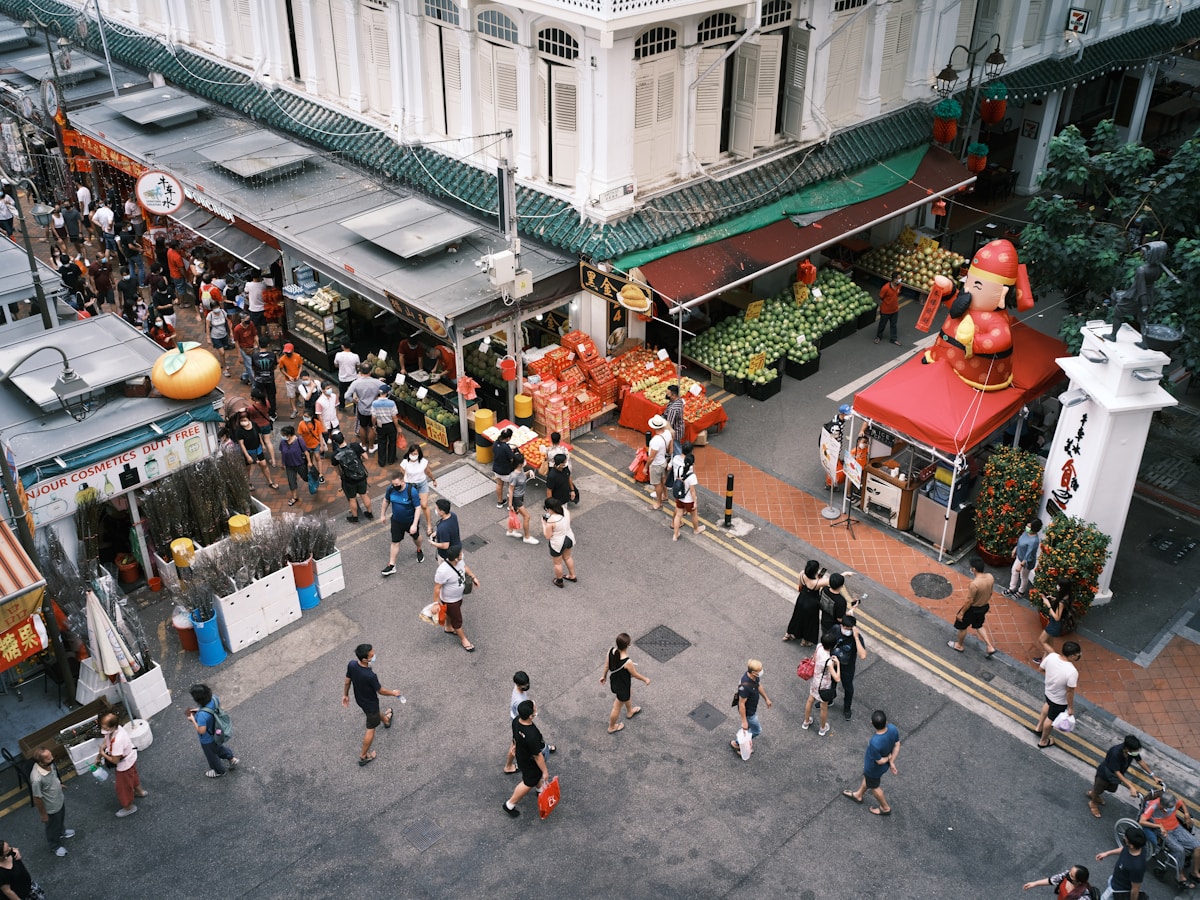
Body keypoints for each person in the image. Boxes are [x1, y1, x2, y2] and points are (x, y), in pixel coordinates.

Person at [342, 643, 403, 766]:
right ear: (365, 659)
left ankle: (386, 720)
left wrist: (345, 695)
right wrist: (394, 693)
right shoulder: (370, 675)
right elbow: (381, 691)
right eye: (372, 655)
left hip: (361, 700)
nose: (374, 655)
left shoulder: (352, 664)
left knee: (373, 713)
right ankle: (363, 756)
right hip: (370, 703)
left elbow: (347, 681)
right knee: (371, 728)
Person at [841, 709, 901, 816]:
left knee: (874, 787)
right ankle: (858, 795)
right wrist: (892, 761)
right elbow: (897, 745)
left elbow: (880, 761)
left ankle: (885, 808)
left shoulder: (875, 742)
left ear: (872, 723)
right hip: (880, 768)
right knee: (868, 780)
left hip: (873, 769)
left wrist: (888, 758)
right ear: (886, 721)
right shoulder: (893, 729)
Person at [1088, 735, 1158, 819]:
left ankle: (1093, 794)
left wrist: (1153, 775)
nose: (1136, 753)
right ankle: (1093, 803)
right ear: (1127, 749)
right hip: (1105, 775)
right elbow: (1117, 772)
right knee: (1098, 789)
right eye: (1135, 751)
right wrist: (1130, 786)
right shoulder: (1115, 753)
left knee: (1111, 789)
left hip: (1115, 776)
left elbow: (1140, 761)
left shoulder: (1132, 752)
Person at [1141, 792, 1200, 889]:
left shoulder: (1172, 803)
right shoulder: (1153, 806)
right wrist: (1158, 826)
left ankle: (1195, 872)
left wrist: (1186, 813)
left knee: (1197, 845)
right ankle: (1180, 877)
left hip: (1176, 827)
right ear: (1161, 804)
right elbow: (1141, 821)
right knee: (1179, 850)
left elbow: (1181, 802)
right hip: (1162, 830)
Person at [96, 711, 148, 817]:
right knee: (132, 775)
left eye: (105, 728)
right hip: (131, 758)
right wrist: (99, 756)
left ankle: (128, 807)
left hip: (124, 764)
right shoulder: (116, 729)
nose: (103, 730)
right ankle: (139, 791)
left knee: (122, 787)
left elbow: (115, 760)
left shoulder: (118, 740)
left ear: (112, 727)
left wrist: (102, 754)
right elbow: (106, 740)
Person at [503, 700, 550, 818]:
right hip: (530, 761)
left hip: (521, 756)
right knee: (528, 782)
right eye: (534, 708)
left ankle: (539, 789)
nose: (535, 708)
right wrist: (545, 771)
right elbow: (537, 756)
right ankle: (510, 804)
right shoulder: (532, 734)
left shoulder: (516, 721)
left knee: (534, 776)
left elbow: (515, 738)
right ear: (530, 716)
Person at [503, 672, 555, 773]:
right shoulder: (518, 701)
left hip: (519, 718)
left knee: (518, 741)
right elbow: (523, 715)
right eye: (525, 685)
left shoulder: (518, 690)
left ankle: (541, 747)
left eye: (527, 683)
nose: (527, 686)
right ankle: (508, 766)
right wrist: (533, 713)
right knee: (515, 744)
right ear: (518, 685)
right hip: (518, 721)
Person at [1034, 641, 1082, 749]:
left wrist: (1052, 676)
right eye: (1078, 654)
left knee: (1048, 704)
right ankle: (1043, 741)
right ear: (1073, 656)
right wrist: (1070, 707)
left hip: (1049, 691)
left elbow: (1041, 669)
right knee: (1050, 719)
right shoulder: (1072, 672)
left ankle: (1039, 727)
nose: (1079, 655)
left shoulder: (1052, 656)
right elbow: (1070, 692)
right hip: (1059, 700)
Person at [186, 684, 239, 778]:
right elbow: (213, 708)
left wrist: (193, 720)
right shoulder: (214, 698)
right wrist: (199, 710)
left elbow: (201, 731)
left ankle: (219, 771)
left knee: (211, 755)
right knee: (218, 747)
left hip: (207, 739)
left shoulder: (202, 716)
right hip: (217, 731)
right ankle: (231, 758)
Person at [600, 632, 650, 734]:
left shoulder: (611, 651)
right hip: (622, 686)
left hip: (615, 682)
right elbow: (635, 675)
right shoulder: (628, 662)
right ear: (628, 645)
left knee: (627, 696)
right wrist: (645, 679)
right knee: (617, 707)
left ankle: (630, 711)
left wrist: (603, 676)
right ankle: (611, 727)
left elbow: (606, 666)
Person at [948, 556, 998, 657]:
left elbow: (969, 601)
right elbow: (991, 592)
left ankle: (959, 645)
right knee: (978, 625)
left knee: (962, 627)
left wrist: (961, 613)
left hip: (972, 609)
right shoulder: (990, 577)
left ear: (974, 569)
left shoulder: (974, 584)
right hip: (984, 607)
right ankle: (989, 646)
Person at [29, 748, 74, 857]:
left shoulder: (49, 765)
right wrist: (43, 814)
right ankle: (55, 846)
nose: (52, 758)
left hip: (59, 799)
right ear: (40, 762)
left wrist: (58, 785)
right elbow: (37, 798)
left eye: (51, 755)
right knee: (52, 827)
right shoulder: (36, 779)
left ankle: (62, 832)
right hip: (51, 807)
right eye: (49, 758)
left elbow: (52, 778)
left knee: (60, 819)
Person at [434, 544, 478, 652]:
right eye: (460, 553)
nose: (462, 554)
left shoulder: (460, 561)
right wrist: (435, 603)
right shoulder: (442, 571)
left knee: (450, 614)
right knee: (457, 620)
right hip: (450, 600)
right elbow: (437, 588)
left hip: (458, 597)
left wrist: (473, 577)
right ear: (455, 557)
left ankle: (448, 627)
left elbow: (464, 567)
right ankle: (464, 640)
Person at [380, 475, 424, 574]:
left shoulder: (411, 491)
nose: (395, 486)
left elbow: (417, 508)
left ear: (403, 481)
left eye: (397, 484)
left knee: (416, 538)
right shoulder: (390, 489)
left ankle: (419, 549)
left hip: (410, 521)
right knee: (395, 541)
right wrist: (382, 515)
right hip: (396, 521)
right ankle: (391, 565)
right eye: (393, 484)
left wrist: (414, 524)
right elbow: (386, 500)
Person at [802, 630, 841, 737]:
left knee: (810, 700)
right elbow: (837, 678)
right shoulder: (828, 661)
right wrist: (838, 664)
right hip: (824, 685)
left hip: (815, 680)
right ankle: (822, 728)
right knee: (824, 707)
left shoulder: (819, 647)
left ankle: (806, 722)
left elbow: (814, 659)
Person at [730, 659, 772, 757]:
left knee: (746, 729)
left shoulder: (754, 678)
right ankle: (740, 744)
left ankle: (736, 743)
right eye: (759, 670)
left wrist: (766, 698)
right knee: (757, 730)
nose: (761, 671)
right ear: (753, 672)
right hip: (749, 713)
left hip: (752, 710)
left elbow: (758, 685)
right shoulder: (745, 687)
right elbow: (741, 704)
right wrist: (744, 721)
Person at [831, 614, 868, 720]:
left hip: (847, 667)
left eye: (849, 629)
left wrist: (856, 637)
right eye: (844, 627)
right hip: (833, 663)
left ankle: (847, 708)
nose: (846, 630)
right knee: (831, 682)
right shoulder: (836, 629)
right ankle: (829, 699)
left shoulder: (856, 637)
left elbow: (863, 655)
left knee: (848, 688)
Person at [330, 432, 372, 523]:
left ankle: (355, 517)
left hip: (348, 480)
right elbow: (366, 457)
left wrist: (342, 475)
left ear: (335, 442)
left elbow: (337, 469)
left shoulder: (334, 455)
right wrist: (360, 463)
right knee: (364, 495)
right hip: (361, 476)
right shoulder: (355, 446)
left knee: (352, 499)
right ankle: (369, 513)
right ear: (343, 437)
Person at [1095, 827, 1146, 900]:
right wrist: (1107, 853)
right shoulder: (1138, 847)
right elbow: (1124, 849)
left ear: (1131, 846)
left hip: (1117, 889)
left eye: (1126, 839)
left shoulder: (1137, 867)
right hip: (1115, 880)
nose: (1124, 838)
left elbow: (1135, 889)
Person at [785, 561, 828, 645]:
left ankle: (792, 633)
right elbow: (833, 581)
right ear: (815, 571)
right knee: (810, 622)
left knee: (797, 617)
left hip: (801, 599)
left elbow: (800, 587)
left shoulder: (802, 574)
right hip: (812, 603)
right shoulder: (817, 582)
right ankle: (805, 640)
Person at [345, 364, 386, 452]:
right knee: (372, 427)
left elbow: (346, 396)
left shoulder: (356, 383)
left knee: (362, 426)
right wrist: (379, 398)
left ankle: (363, 445)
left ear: (360, 371)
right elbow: (388, 390)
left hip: (362, 408)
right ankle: (371, 447)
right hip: (373, 409)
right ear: (370, 371)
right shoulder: (377, 382)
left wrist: (354, 401)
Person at [233, 414, 278, 491]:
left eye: (245, 420)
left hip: (257, 449)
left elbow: (258, 435)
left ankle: (270, 482)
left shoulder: (254, 425)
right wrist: (247, 456)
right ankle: (248, 483)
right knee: (247, 468)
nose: (243, 422)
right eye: (241, 420)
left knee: (264, 464)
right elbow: (242, 444)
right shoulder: (239, 431)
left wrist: (263, 444)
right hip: (248, 451)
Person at [1034, 579, 1072, 664]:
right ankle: (1044, 661)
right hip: (1056, 623)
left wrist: (1048, 605)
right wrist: (1054, 599)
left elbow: (1057, 617)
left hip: (1055, 624)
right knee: (1049, 642)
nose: (1057, 587)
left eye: (1059, 586)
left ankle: (1056, 659)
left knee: (1042, 640)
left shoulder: (1062, 603)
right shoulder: (1067, 596)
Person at [670, 451, 705, 540]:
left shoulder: (680, 469)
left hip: (680, 497)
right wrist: (695, 502)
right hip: (688, 500)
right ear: (693, 463)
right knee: (694, 515)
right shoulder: (692, 476)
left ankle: (675, 534)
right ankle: (696, 529)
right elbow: (692, 491)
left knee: (678, 515)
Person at [542, 497, 576, 588]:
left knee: (557, 563)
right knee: (568, 557)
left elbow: (547, 536)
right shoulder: (565, 511)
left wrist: (544, 524)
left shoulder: (551, 521)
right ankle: (572, 576)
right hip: (569, 537)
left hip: (558, 543)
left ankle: (559, 580)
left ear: (549, 509)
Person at [505, 453, 538, 545]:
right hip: (516, 499)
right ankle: (527, 537)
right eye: (523, 461)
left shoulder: (521, 470)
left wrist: (529, 472)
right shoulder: (514, 476)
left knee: (515, 513)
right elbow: (510, 490)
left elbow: (523, 475)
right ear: (519, 464)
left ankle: (510, 531)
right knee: (527, 517)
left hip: (520, 496)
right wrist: (510, 504)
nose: (525, 462)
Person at [1006, 519, 1043, 599]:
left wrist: (1021, 565)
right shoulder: (1026, 533)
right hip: (1019, 557)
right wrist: (1015, 549)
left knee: (1023, 576)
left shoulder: (1034, 541)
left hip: (1026, 562)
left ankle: (1021, 592)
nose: (1027, 527)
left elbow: (1028, 555)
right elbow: (1020, 542)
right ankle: (1012, 588)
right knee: (1014, 572)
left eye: (1029, 527)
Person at [246, 390, 279, 468]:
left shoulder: (251, 408)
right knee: (268, 441)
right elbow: (269, 409)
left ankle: (260, 457)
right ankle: (273, 460)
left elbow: (250, 417)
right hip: (266, 424)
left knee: (259, 442)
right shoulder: (266, 402)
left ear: (254, 398)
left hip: (257, 426)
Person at [1022, 865, 1095, 898]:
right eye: (1070, 871)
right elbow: (1052, 880)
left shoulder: (1083, 897)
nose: (1068, 874)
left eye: (1071, 875)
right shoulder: (1066, 875)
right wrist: (1035, 883)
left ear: (1078, 882)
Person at [278, 425, 308, 506]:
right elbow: (282, 453)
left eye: (284, 435)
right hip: (289, 466)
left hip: (300, 464)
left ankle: (315, 481)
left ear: (289, 435)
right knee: (291, 481)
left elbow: (306, 451)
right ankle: (294, 497)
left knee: (306, 477)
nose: (283, 436)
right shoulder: (283, 442)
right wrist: (283, 463)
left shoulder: (299, 440)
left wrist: (309, 462)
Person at [819, 572, 856, 637]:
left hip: (824, 621)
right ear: (842, 586)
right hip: (834, 627)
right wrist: (851, 610)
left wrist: (845, 574)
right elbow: (840, 619)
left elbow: (834, 581)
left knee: (824, 637)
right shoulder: (841, 601)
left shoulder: (824, 590)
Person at [371, 388, 400, 468]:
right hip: (391, 425)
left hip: (380, 425)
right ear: (387, 393)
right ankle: (391, 459)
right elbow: (394, 417)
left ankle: (381, 461)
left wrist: (374, 425)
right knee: (392, 442)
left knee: (381, 442)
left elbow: (373, 417)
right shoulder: (391, 403)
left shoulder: (374, 403)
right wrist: (398, 427)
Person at [648, 414, 672, 510]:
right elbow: (671, 447)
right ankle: (665, 496)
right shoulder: (668, 433)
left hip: (656, 464)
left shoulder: (655, 440)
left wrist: (646, 467)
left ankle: (658, 503)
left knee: (657, 484)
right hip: (664, 461)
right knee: (663, 480)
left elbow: (651, 457)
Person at [297, 412, 326, 484]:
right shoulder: (301, 424)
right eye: (304, 416)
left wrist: (321, 445)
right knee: (310, 460)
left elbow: (320, 435)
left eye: (306, 416)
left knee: (317, 457)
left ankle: (320, 474)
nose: (305, 418)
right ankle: (313, 473)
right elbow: (300, 436)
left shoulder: (317, 423)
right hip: (306, 445)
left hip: (316, 444)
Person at [205, 298, 232, 376]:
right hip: (215, 336)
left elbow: (228, 322)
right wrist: (208, 337)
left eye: (216, 306)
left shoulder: (223, 312)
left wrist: (231, 332)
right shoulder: (210, 315)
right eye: (214, 307)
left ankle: (222, 363)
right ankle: (224, 369)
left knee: (223, 352)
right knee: (222, 352)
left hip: (224, 335)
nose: (216, 309)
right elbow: (207, 326)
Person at [277, 343, 304, 418]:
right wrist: (288, 376)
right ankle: (294, 409)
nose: (288, 354)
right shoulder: (282, 359)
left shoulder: (297, 356)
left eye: (289, 352)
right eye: (286, 353)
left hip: (298, 378)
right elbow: (281, 369)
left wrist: (299, 375)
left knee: (299, 391)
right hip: (289, 380)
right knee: (291, 395)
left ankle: (297, 399)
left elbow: (300, 366)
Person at [251, 347, 279, 418]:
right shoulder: (272, 355)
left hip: (259, 379)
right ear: (268, 345)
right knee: (271, 396)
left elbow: (253, 367)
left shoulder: (255, 356)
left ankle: (261, 410)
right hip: (270, 379)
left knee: (259, 395)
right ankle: (272, 413)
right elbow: (275, 366)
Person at [492, 427, 516, 507]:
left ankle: (500, 502)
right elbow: (512, 458)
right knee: (511, 487)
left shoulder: (495, 443)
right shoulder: (505, 447)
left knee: (499, 484)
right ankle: (510, 505)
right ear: (508, 438)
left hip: (496, 469)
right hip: (506, 471)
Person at [875, 272, 902, 345]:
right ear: (894, 279)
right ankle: (878, 337)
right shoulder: (885, 288)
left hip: (895, 310)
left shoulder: (899, 286)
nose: (900, 280)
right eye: (898, 278)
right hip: (885, 311)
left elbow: (897, 294)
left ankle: (893, 339)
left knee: (893, 325)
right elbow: (881, 298)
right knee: (882, 325)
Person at [663, 383, 686, 455]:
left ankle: (679, 461)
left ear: (673, 395)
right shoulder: (679, 400)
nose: (667, 395)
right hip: (679, 427)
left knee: (676, 447)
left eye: (668, 394)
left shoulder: (673, 409)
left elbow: (669, 423)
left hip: (675, 431)